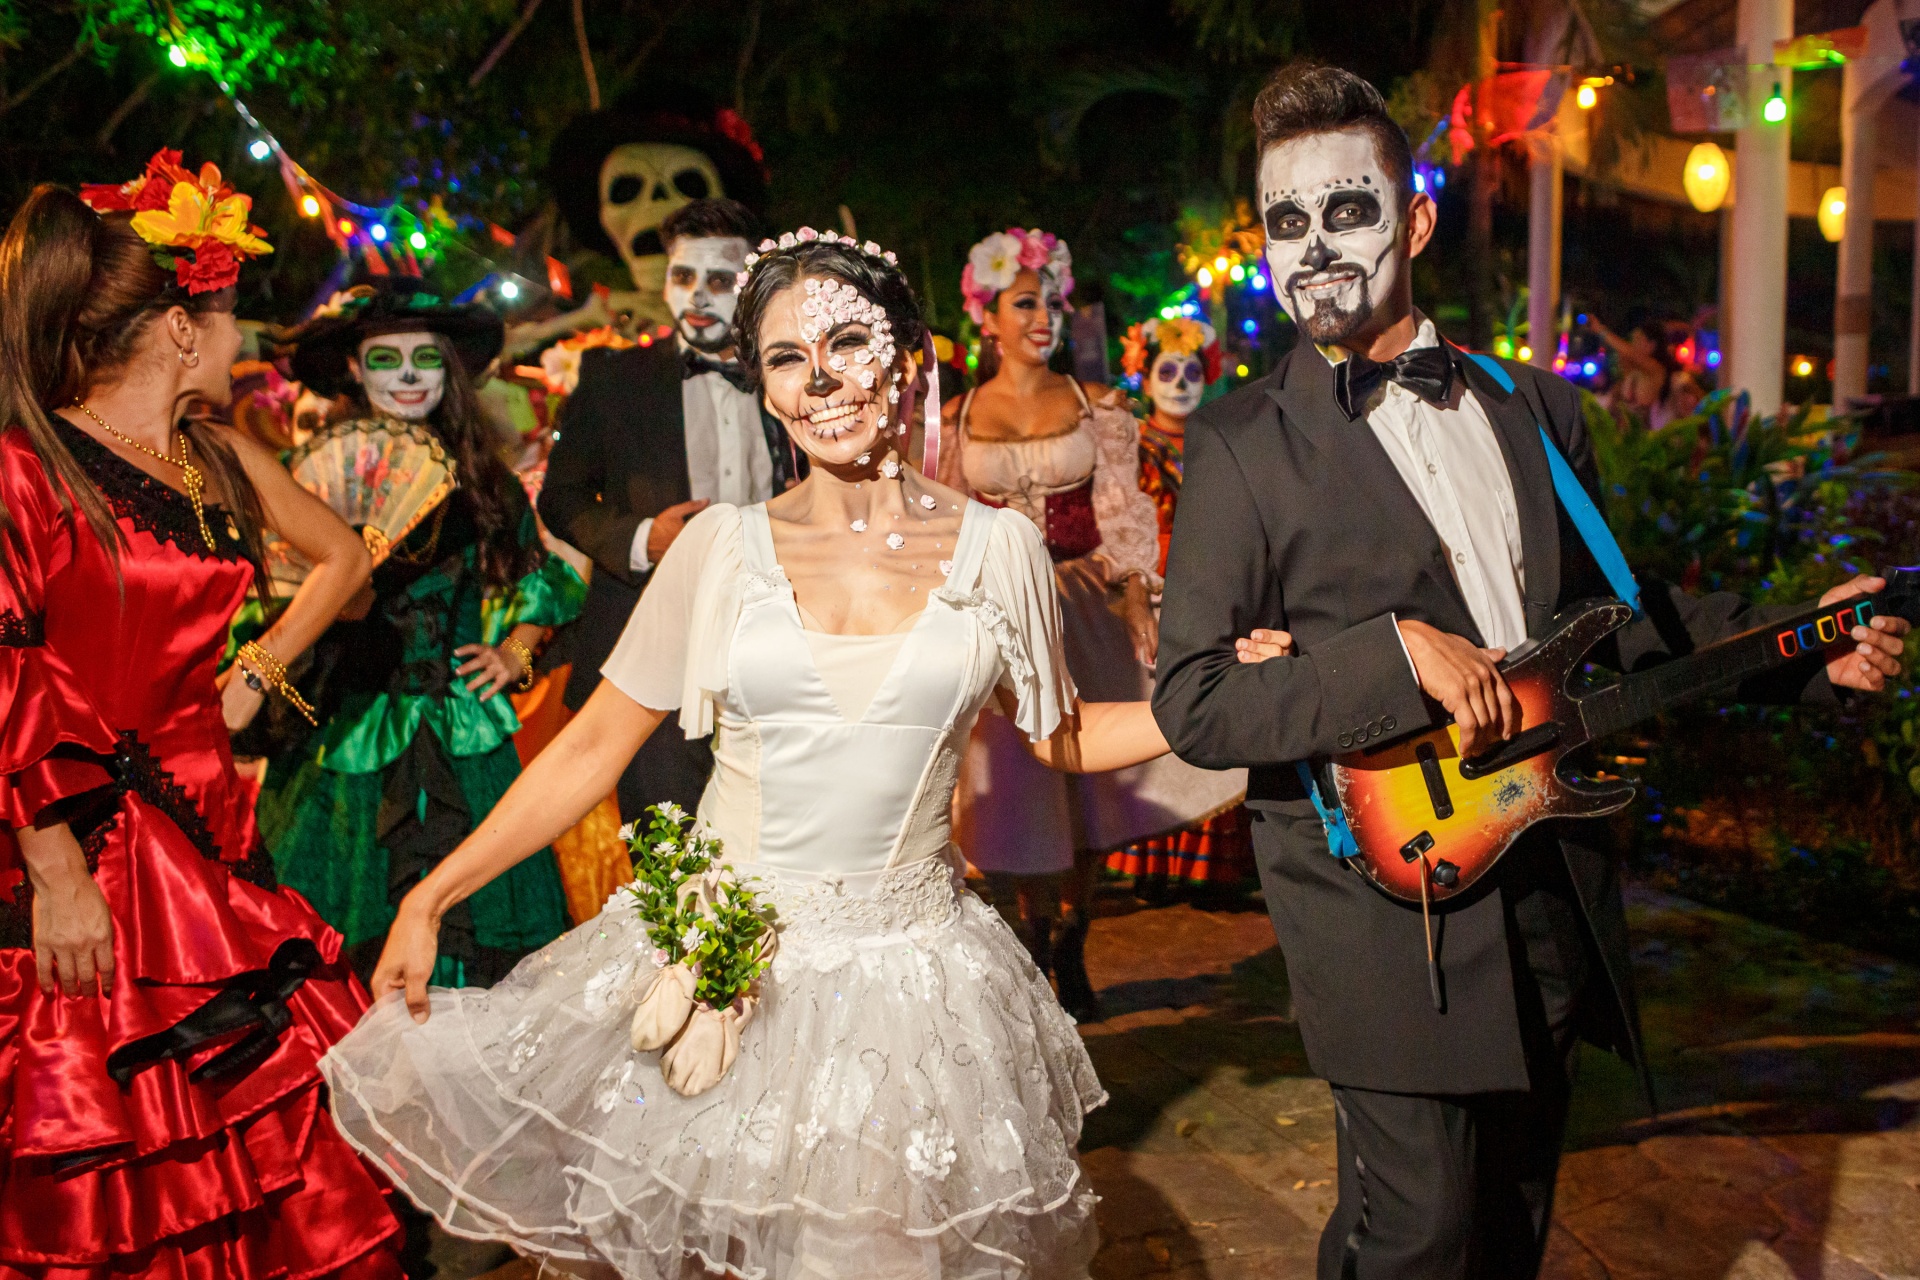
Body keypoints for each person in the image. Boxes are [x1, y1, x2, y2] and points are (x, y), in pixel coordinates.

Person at [319, 229, 1237, 1280]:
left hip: (909, 994)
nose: (822, 380)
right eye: (789, 359)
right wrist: (432, 895)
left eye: (847, 343)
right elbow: (591, 748)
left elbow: (1062, 732)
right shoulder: (717, 549)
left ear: (904, 361)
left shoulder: (1001, 549)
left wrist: (1214, 707)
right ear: (764, 384)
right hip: (719, 969)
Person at [1150, 64, 1910, 1280]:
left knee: (1506, 1218)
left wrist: (1807, 642)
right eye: (1285, 221)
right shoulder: (1241, 442)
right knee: (1418, 1228)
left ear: (1417, 219)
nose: (1313, 249)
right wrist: (1391, 657)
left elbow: (1614, 621)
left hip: (1550, 863)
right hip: (1377, 893)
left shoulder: (1538, 410)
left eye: (1344, 210)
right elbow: (1193, 697)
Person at [0, 161, 404, 1276]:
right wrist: (56, 875)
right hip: (86, 856)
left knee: (266, 1151)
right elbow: (7, 671)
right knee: (110, 1162)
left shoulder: (207, 460)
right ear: (182, 327)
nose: (246, 343)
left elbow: (341, 558)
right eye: (233, 320)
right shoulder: (26, 467)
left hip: (210, 836)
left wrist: (256, 675)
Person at [936, 227, 1243, 1018]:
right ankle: (1030, 939)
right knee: (1006, 792)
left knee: (1088, 793)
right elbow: (938, 525)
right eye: (1025, 303)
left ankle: (1070, 940)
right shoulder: (955, 418)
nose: (1044, 318)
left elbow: (1123, 515)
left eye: (1053, 303)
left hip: (1081, 608)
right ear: (988, 317)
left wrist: (1138, 597)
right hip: (996, 622)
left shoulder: (1097, 405)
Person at [258, 280, 583, 988]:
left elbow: (544, 585)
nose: (407, 377)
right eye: (386, 359)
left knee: (482, 941)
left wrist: (515, 652)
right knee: (335, 947)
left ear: (449, 368)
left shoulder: (485, 482)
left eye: (424, 359)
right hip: (348, 739)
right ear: (352, 368)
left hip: (466, 736)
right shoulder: (311, 480)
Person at [540, 198, 803, 831]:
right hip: (654, 649)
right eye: (684, 278)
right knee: (670, 852)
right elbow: (561, 497)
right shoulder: (616, 380)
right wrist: (640, 539)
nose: (698, 297)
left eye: (719, 281)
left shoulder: (793, 376)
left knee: (779, 844)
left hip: (777, 638)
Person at [1105, 317, 1259, 896]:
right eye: (1166, 371)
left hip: (1217, 591)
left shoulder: (1221, 438)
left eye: (1191, 371)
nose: (1179, 382)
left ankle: (1213, 870)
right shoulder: (1130, 446)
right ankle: (1158, 867)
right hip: (1153, 595)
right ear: (1144, 378)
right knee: (1159, 731)